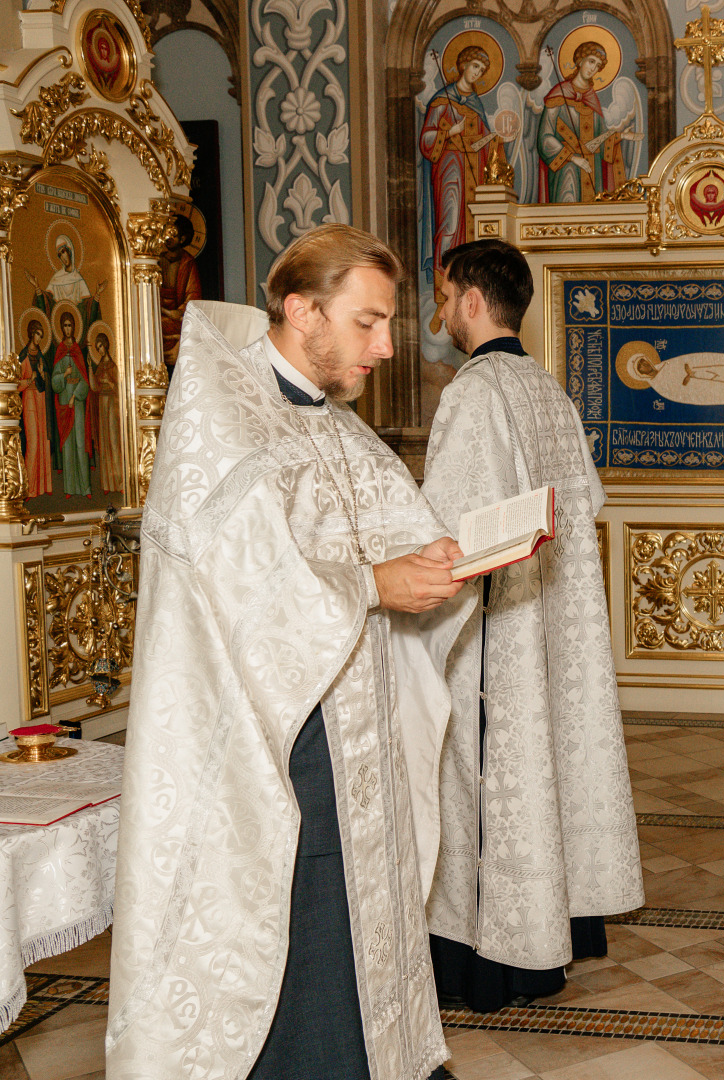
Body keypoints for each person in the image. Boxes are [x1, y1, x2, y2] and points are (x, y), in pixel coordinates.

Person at [110, 224, 469, 1080]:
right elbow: (245, 583)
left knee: (359, 935)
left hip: (357, 737)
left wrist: (450, 559)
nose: (386, 346)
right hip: (277, 740)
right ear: (302, 309)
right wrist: (375, 585)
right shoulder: (226, 415)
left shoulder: (336, 426)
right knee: (299, 935)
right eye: (367, 323)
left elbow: (381, 537)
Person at [419, 239, 643, 1011]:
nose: (440, 312)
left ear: (472, 301)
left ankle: (496, 954)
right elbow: (586, 500)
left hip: (495, 634)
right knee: (546, 765)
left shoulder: (475, 390)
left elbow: (448, 526)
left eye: (445, 296)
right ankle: (560, 928)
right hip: (548, 619)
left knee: (485, 779)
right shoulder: (544, 385)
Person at [420, 44, 504, 326]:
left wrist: (490, 142)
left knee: (471, 234)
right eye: (474, 67)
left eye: (481, 70)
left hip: (472, 175)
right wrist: (447, 131)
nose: (477, 73)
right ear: (462, 66)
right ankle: (443, 299)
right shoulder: (441, 101)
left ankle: (471, 294)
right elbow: (427, 142)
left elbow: (479, 142)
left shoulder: (476, 105)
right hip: (450, 173)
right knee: (450, 226)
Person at [538, 41, 633, 203]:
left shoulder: (591, 99)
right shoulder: (558, 95)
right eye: (591, 61)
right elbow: (545, 138)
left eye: (597, 66)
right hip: (567, 170)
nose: (593, 68)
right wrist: (574, 158)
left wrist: (622, 136)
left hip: (592, 171)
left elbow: (601, 139)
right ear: (580, 61)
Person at [51, 307, 93, 496]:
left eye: (70, 325)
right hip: (63, 402)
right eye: (65, 326)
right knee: (68, 445)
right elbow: (54, 382)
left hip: (77, 401)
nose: (68, 329)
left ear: (74, 327)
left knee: (80, 443)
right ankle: (69, 488)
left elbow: (84, 379)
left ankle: (85, 488)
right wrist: (63, 374)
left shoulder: (77, 351)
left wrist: (76, 395)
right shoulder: (60, 351)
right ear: (61, 328)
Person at [159, 214, 203, 367]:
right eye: (166, 233)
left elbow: (193, 297)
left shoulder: (188, 263)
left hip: (177, 317)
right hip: (157, 313)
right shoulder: (158, 259)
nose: (168, 238)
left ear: (183, 239)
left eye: (173, 234)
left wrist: (172, 313)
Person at [17, 313, 52, 497]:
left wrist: (42, 375)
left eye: (41, 335)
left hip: (41, 401)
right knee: (33, 443)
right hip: (29, 401)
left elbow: (45, 382)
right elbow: (17, 384)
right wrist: (30, 379)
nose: (39, 338)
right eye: (37, 334)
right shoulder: (23, 357)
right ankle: (28, 487)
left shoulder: (40, 357)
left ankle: (40, 487)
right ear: (31, 334)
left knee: (42, 443)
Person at [89, 330, 123, 486]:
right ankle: (107, 483)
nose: (100, 349)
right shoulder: (100, 366)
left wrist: (109, 382)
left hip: (112, 402)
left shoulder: (113, 366)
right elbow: (94, 387)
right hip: (102, 402)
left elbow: (120, 388)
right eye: (97, 347)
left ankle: (118, 480)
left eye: (101, 346)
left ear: (106, 345)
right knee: (104, 442)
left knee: (114, 440)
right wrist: (90, 367)